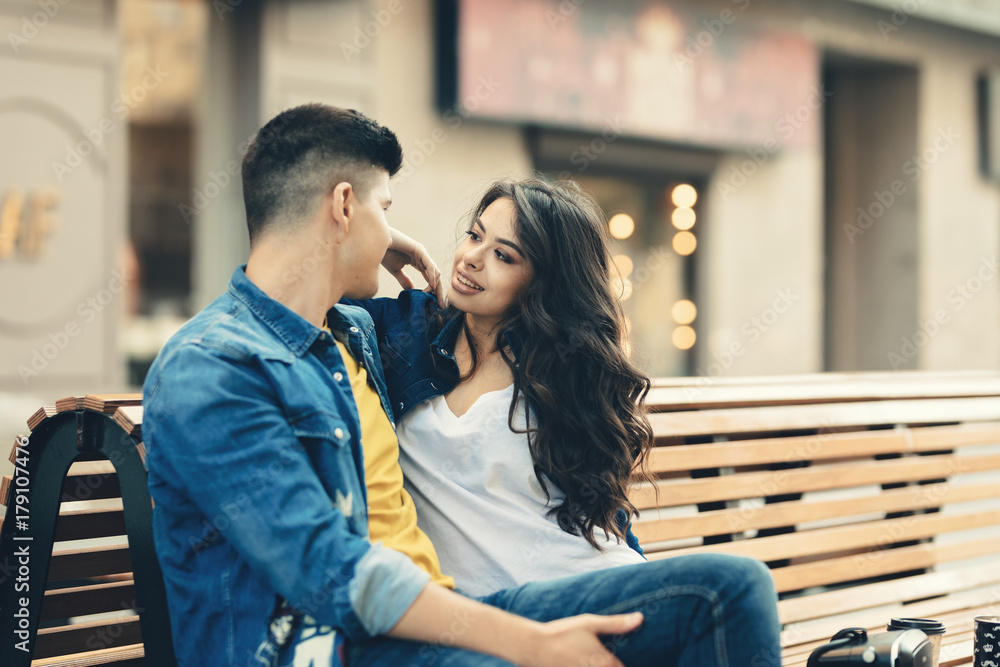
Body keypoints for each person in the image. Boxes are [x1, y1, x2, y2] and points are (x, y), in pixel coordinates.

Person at [143, 102, 781, 667]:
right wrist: (526, 644)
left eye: (504, 253)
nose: (466, 255)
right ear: (342, 206)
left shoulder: (348, 338)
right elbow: (330, 571)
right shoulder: (214, 368)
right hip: (339, 644)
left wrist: (365, 242)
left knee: (729, 590)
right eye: (382, 209)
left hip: (452, 617)